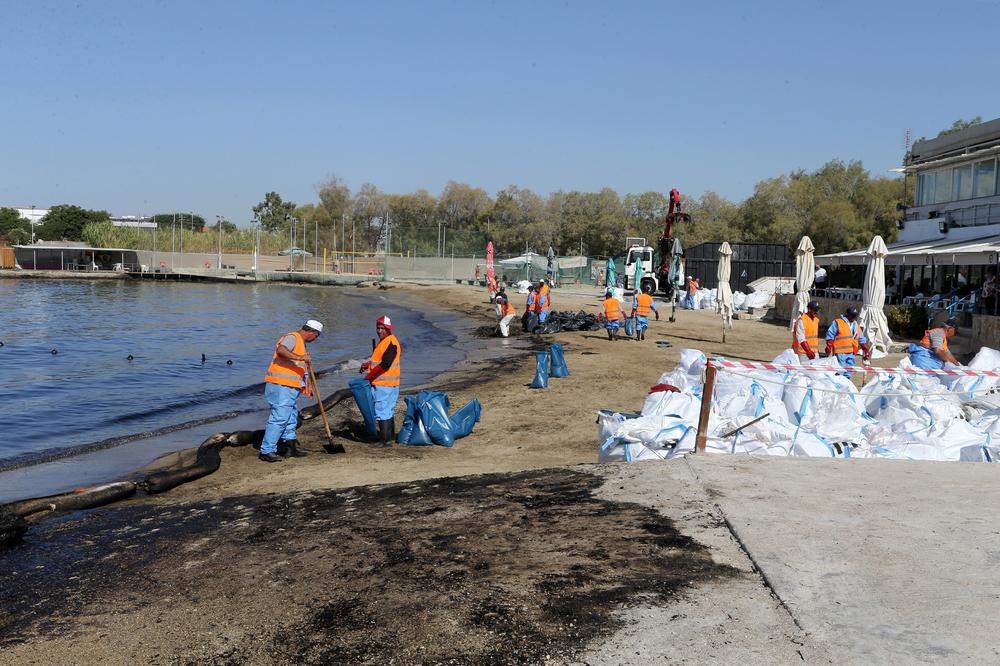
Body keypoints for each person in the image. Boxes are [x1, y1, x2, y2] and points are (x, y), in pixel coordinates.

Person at [259, 319, 323, 463]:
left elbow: (300, 368)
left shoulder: (301, 343)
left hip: (290, 387)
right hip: (280, 385)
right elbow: (281, 350)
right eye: (317, 335)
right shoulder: (293, 337)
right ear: (312, 332)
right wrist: (301, 357)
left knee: (290, 417)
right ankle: (267, 451)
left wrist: (308, 386)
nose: (316, 339)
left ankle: (290, 447)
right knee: (280, 417)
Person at [360, 315, 401, 447]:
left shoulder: (390, 341)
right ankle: (390, 438)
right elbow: (381, 360)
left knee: (382, 411)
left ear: (389, 329)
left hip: (384, 384)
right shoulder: (387, 341)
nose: (379, 331)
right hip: (391, 384)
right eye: (378, 328)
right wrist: (368, 364)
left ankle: (384, 441)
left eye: (383, 328)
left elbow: (385, 364)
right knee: (388, 411)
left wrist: (369, 376)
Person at [824, 306, 871, 376]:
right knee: (840, 372)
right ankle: (839, 384)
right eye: (852, 315)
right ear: (847, 314)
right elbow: (830, 334)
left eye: (854, 316)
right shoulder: (838, 322)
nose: (853, 317)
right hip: (840, 353)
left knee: (849, 372)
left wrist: (866, 351)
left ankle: (846, 384)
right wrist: (829, 346)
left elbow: (862, 339)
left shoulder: (856, 325)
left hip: (851, 353)